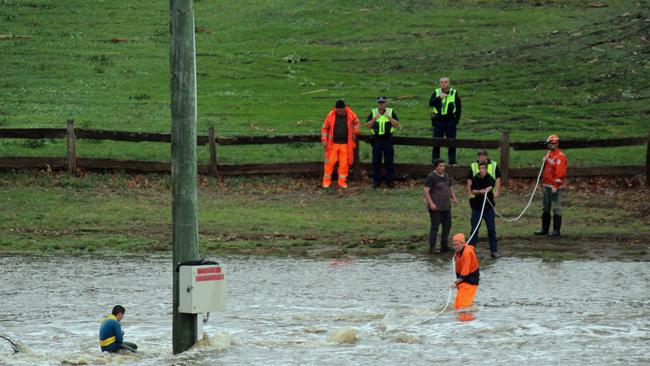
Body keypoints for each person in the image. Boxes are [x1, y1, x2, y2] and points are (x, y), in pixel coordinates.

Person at [321, 99, 360, 189]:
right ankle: (326, 182)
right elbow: (324, 128)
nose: (340, 112)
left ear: (344, 108)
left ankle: (342, 182)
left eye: (341, 110)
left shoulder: (350, 114)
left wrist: (355, 132)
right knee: (329, 163)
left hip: (346, 144)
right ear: (336, 109)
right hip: (333, 144)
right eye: (338, 110)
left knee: (344, 164)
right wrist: (324, 139)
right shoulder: (331, 115)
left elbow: (357, 122)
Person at [534, 134, 568, 236]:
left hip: (553, 187)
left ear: (555, 144)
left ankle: (556, 230)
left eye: (550, 144)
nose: (549, 146)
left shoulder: (560, 157)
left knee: (556, 208)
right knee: (546, 207)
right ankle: (545, 229)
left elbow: (560, 173)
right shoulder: (549, 154)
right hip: (547, 184)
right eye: (548, 144)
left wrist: (556, 186)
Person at [424, 159, 458, 254]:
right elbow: (426, 192)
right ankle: (432, 246)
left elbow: (450, 187)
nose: (442, 168)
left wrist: (454, 197)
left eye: (443, 166)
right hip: (436, 207)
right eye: (440, 166)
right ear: (436, 167)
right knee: (435, 227)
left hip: (446, 206)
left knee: (447, 226)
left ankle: (444, 246)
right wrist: (431, 204)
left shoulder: (446, 176)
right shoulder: (431, 177)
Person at [365, 96, 400, 188]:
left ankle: (390, 181)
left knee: (389, 161)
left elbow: (397, 125)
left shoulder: (391, 112)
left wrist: (390, 118)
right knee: (376, 161)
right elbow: (367, 126)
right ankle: (376, 181)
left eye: (383, 102)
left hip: (388, 139)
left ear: (386, 103)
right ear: (378, 103)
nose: (381, 104)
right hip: (377, 140)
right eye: (380, 103)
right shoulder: (373, 112)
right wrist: (374, 119)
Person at [468, 162, 498, 258]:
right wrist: (479, 192)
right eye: (480, 168)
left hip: (488, 209)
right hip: (477, 208)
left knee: (491, 230)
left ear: (486, 169)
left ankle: (494, 251)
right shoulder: (475, 179)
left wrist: (487, 190)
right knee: (474, 229)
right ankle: (471, 249)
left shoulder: (490, 178)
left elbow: (491, 186)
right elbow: (472, 190)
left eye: (483, 168)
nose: (481, 170)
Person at [429, 77, 462, 165]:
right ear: (440, 84)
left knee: (451, 142)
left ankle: (452, 162)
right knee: (436, 142)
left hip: (450, 121)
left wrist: (455, 121)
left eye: (445, 82)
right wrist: (439, 97)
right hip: (438, 121)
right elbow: (431, 103)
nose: (443, 84)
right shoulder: (436, 92)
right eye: (442, 82)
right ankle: (435, 162)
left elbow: (459, 108)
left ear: (449, 83)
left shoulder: (454, 93)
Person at [452, 233, 480, 315]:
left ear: (463, 244)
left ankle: (467, 323)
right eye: (454, 245)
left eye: (457, 245)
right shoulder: (462, 249)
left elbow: (465, 273)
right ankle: (461, 324)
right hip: (463, 282)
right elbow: (472, 246)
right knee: (457, 306)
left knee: (462, 307)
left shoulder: (467, 254)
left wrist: (455, 283)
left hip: (470, 281)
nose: (455, 247)